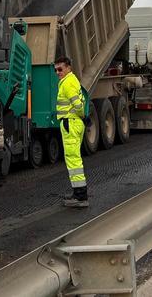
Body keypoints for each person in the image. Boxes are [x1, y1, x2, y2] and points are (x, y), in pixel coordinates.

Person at [55, 56, 89, 208]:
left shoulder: (67, 83)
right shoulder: (72, 80)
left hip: (70, 122)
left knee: (73, 159)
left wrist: (81, 116)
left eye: (60, 69)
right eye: (55, 70)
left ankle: (80, 196)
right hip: (75, 122)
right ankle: (78, 193)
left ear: (68, 67)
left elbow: (78, 106)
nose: (57, 72)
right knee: (74, 158)